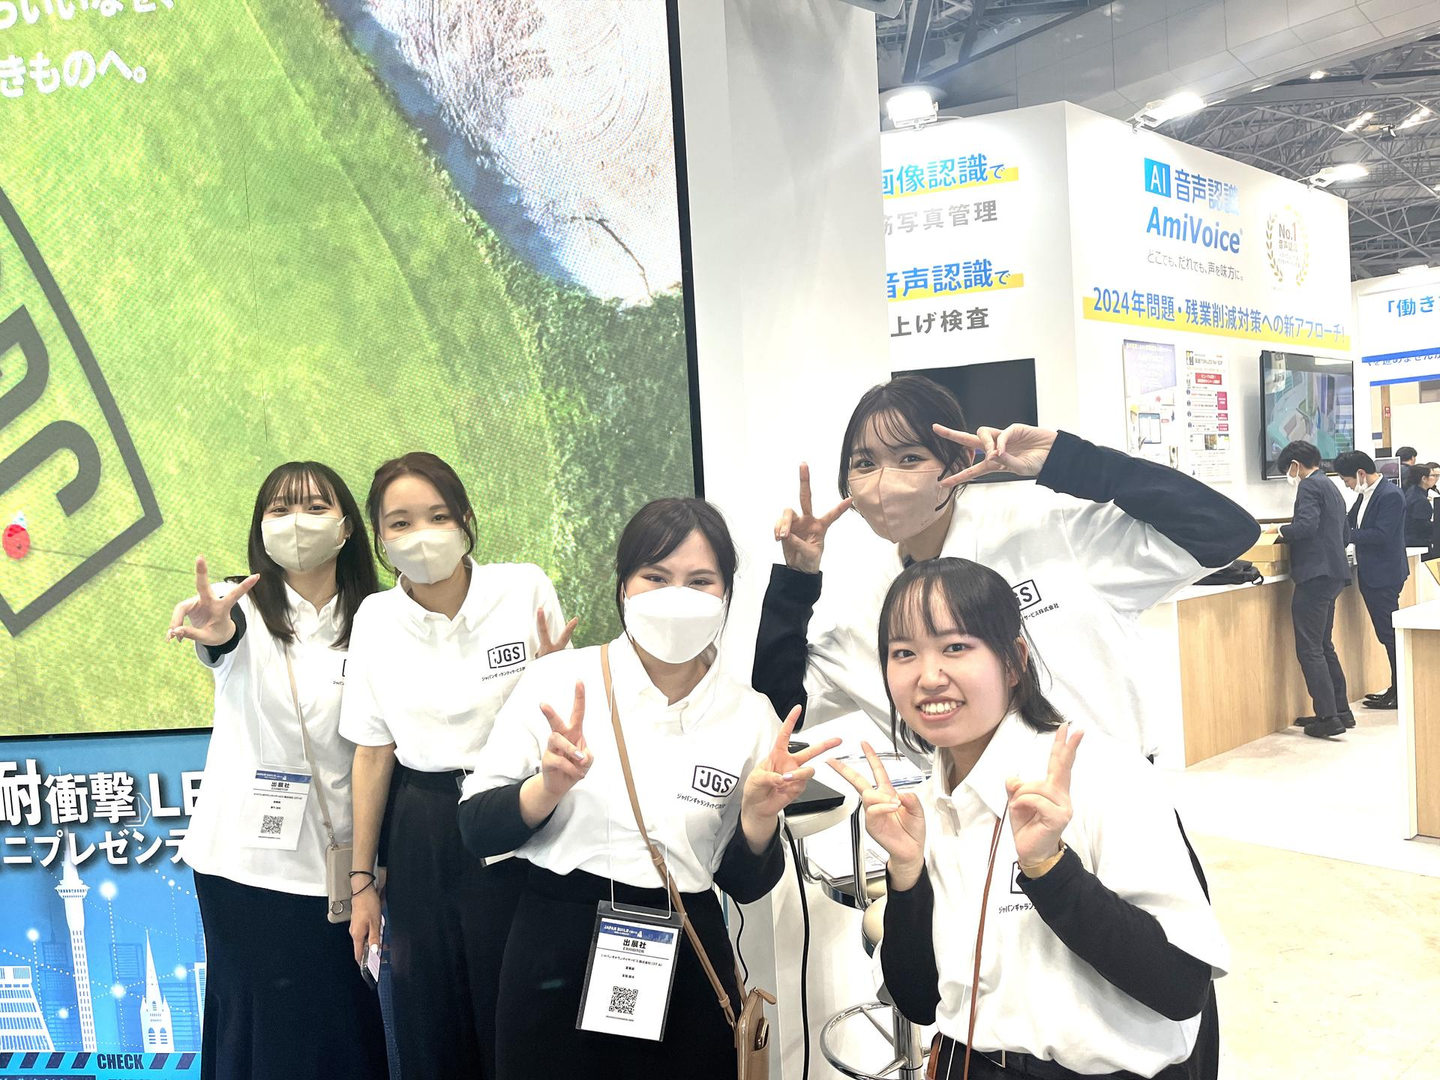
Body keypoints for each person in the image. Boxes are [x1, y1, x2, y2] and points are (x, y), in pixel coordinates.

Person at [458, 498, 840, 1080]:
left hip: (688, 951)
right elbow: (476, 829)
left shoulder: (750, 716)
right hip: (556, 948)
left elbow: (746, 884)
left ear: (726, 595)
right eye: (656, 577)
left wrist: (760, 819)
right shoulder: (559, 681)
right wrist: (546, 788)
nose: (676, 596)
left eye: (700, 581)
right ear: (623, 588)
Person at [827, 557, 1227, 1079]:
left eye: (956, 647)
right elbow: (919, 1001)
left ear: (1014, 661)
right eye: (904, 653)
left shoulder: (1102, 774)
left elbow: (1182, 985)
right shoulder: (929, 802)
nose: (928, 677)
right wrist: (907, 874)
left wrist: (1050, 869)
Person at [754, 374, 1259, 757]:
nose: (883, 482)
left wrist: (1070, 460)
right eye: (864, 464)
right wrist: (796, 582)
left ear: (956, 465)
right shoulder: (876, 605)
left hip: (1106, 808)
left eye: (909, 458)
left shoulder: (1048, 529)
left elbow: (1223, 531)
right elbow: (782, 705)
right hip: (976, 832)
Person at [339, 452, 575, 1080]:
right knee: (430, 1018)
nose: (421, 535)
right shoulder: (375, 619)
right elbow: (372, 752)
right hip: (423, 824)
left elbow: (563, 718)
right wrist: (362, 885)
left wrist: (553, 675)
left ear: (466, 519)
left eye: (438, 515)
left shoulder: (523, 589)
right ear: (380, 538)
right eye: (400, 523)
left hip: (516, 811)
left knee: (520, 1010)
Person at [168, 461, 388, 1080]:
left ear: (347, 527)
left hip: (347, 869)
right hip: (245, 872)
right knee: (262, 1036)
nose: (297, 522)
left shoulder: (378, 619)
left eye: (316, 508)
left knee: (347, 1031)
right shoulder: (241, 607)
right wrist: (213, 629)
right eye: (280, 509)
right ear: (260, 528)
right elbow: (221, 636)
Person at [1275, 441, 1353, 738]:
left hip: (1314, 576)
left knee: (1310, 649)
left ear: (1296, 465)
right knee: (1323, 645)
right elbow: (1344, 534)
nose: (1289, 475)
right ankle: (1340, 711)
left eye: (1288, 469)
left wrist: (1279, 531)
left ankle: (1328, 717)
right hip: (1333, 574)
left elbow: (1306, 527)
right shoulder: (1331, 485)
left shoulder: (1308, 486)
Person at [1334, 451, 1410, 711]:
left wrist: (1347, 536)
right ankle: (1396, 689)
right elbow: (1349, 523)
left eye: (1346, 480)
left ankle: (1400, 692)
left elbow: (1381, 534)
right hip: (1372, 572)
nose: (1347, 485)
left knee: (1390, 635)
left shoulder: (1390, 495)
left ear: (1361, 473)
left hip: (1384, 574)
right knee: (1385, 633)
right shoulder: (1365, 494)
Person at [1403, 464, 1435, 548]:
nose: (1435, 478)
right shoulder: (1420, 500)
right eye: (1432, 475)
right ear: (1424, 478)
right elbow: (1422, 526)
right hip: (1417, 543)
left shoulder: (1411, 491)